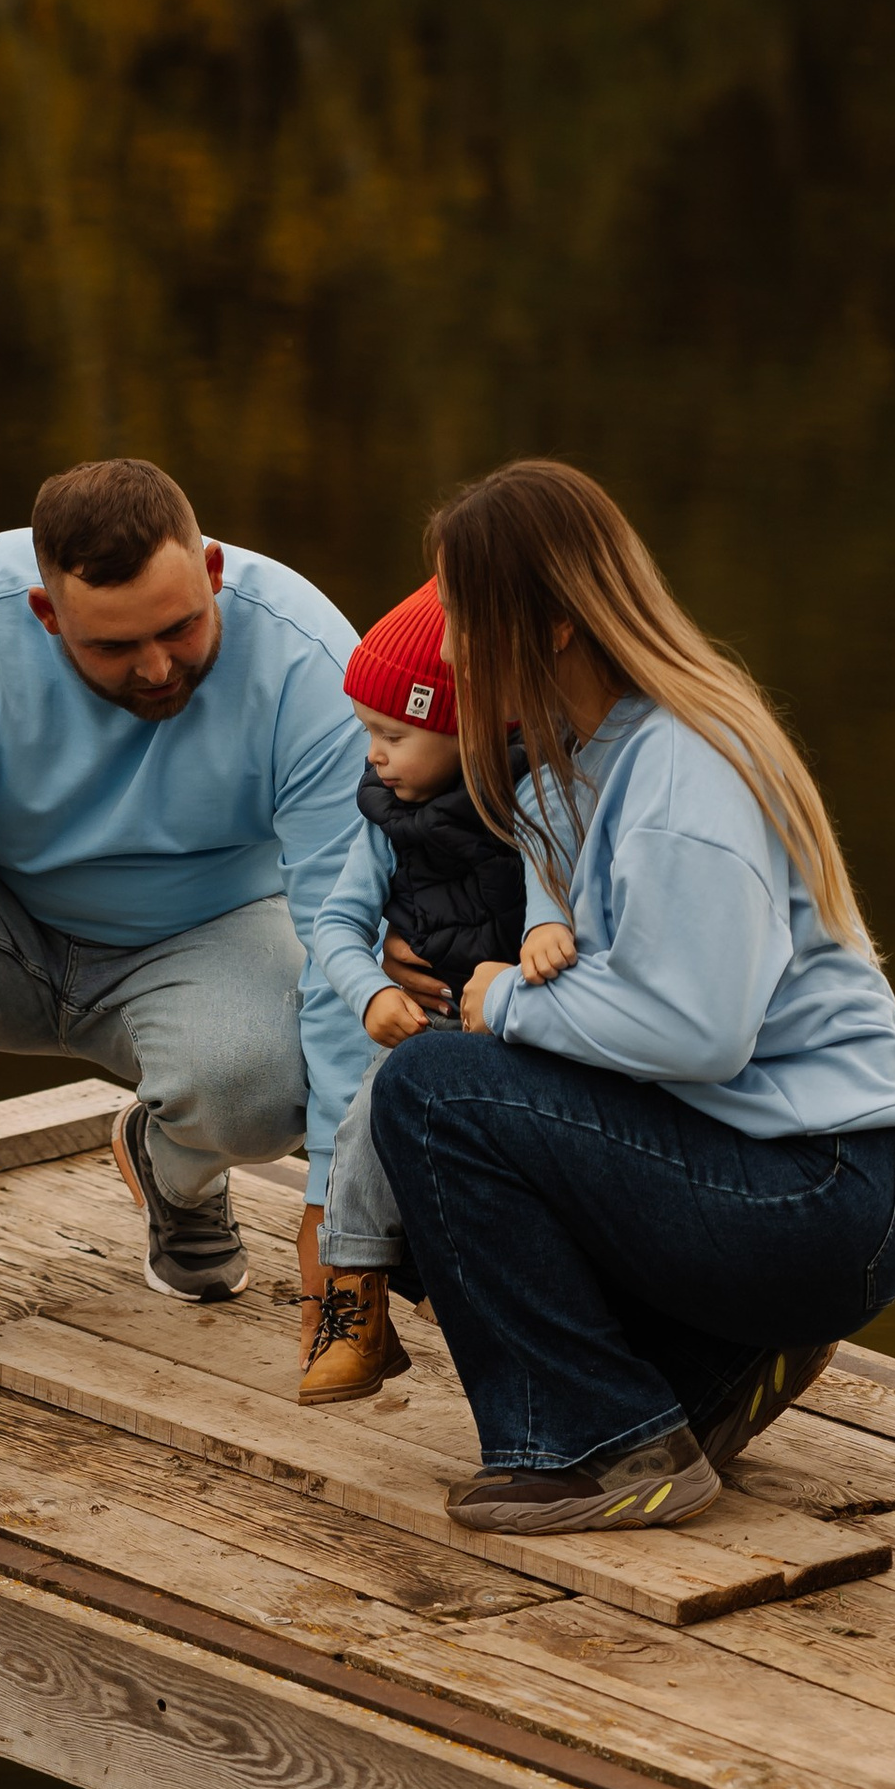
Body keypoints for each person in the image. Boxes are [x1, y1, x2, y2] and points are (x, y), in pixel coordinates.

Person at [361, 460, 895, 1535]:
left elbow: (695, 1029)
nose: (452, 649)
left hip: (817, 1191)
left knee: (432, 1093)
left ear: (555, 625)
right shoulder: (604, 753)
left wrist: (502, 1010)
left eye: (467, 616)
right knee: (439, 1119)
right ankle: (690, 1388)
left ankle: (593, 1442)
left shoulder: (682, 772)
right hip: (787, 1171)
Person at [0, 458, 373, 1393]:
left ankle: (175, 1174)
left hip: (207, 933)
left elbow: (344, 926)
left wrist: (337, 1202)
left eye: (181, 627)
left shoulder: (309, 658)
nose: (159, 666)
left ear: (211, 571)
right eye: (116, 647)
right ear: (49, 615)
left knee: (260, 1081)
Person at [297, 582, 575, 1404]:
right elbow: (335, 922)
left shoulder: (536, 792)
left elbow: (550, 876)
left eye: (394, 733)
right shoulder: (388, 819)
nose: (373, 755)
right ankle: (356, 1300)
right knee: (374, 1102)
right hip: (447, 1026)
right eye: (366, 734)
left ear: (470, 728)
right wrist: (368, 990)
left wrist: (542, 931)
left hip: (529, 1018)